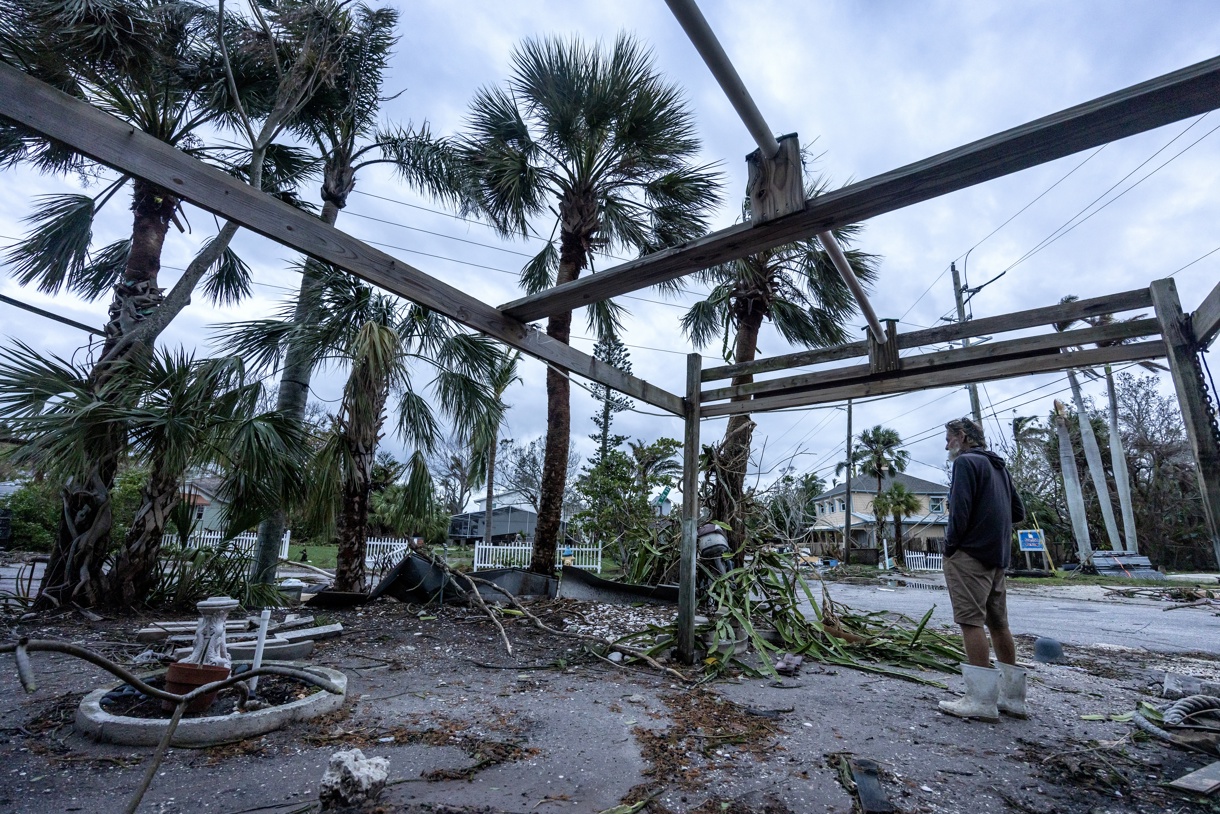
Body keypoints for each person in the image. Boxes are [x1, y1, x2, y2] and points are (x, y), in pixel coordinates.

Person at [938, 417, 1027, 722]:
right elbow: (1018, 512)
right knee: (999, 624)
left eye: (948, 438)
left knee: (970, 621)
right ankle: (1013, 699)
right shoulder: (998, 465)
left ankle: (980, 700)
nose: (946, 444)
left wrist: (950, 546)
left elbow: (959, 512)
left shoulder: (965, 463)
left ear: (961, 437)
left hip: (969, 555)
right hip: (997, 556)